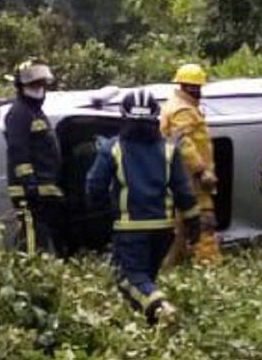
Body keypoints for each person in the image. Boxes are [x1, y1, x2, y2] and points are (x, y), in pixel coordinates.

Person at [86, 89, 201, 327]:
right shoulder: (169, 150)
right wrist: (194, 224)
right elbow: (184, 192)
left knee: (128, 278)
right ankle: (150, 325)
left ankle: (161, 308)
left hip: (131, 229)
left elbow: (94, 186)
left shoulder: (112, 149)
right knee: (146, 277)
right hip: (163, 231)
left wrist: (100, 213)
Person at [161, 63, 221, 266]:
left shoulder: (173, 105)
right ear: (186, 87)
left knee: (180, 224)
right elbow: (184, 143)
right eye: (194, 87)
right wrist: (202, 171)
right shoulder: (183, 110)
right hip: (192, 179)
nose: (197, 90)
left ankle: (173, 264)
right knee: (203, 221)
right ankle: (208, 264)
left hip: (180, 177)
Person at [5, 60, 63, 255]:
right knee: (31, 244)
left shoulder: (35, 112)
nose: (39, 88)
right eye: (33, 84)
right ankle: (29, 278)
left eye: (41, 83)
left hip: (41, 190)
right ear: (21, 86)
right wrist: (29, 185)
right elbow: (18, 151)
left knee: (40, 238)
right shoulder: (19, 114)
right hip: (28, 193)